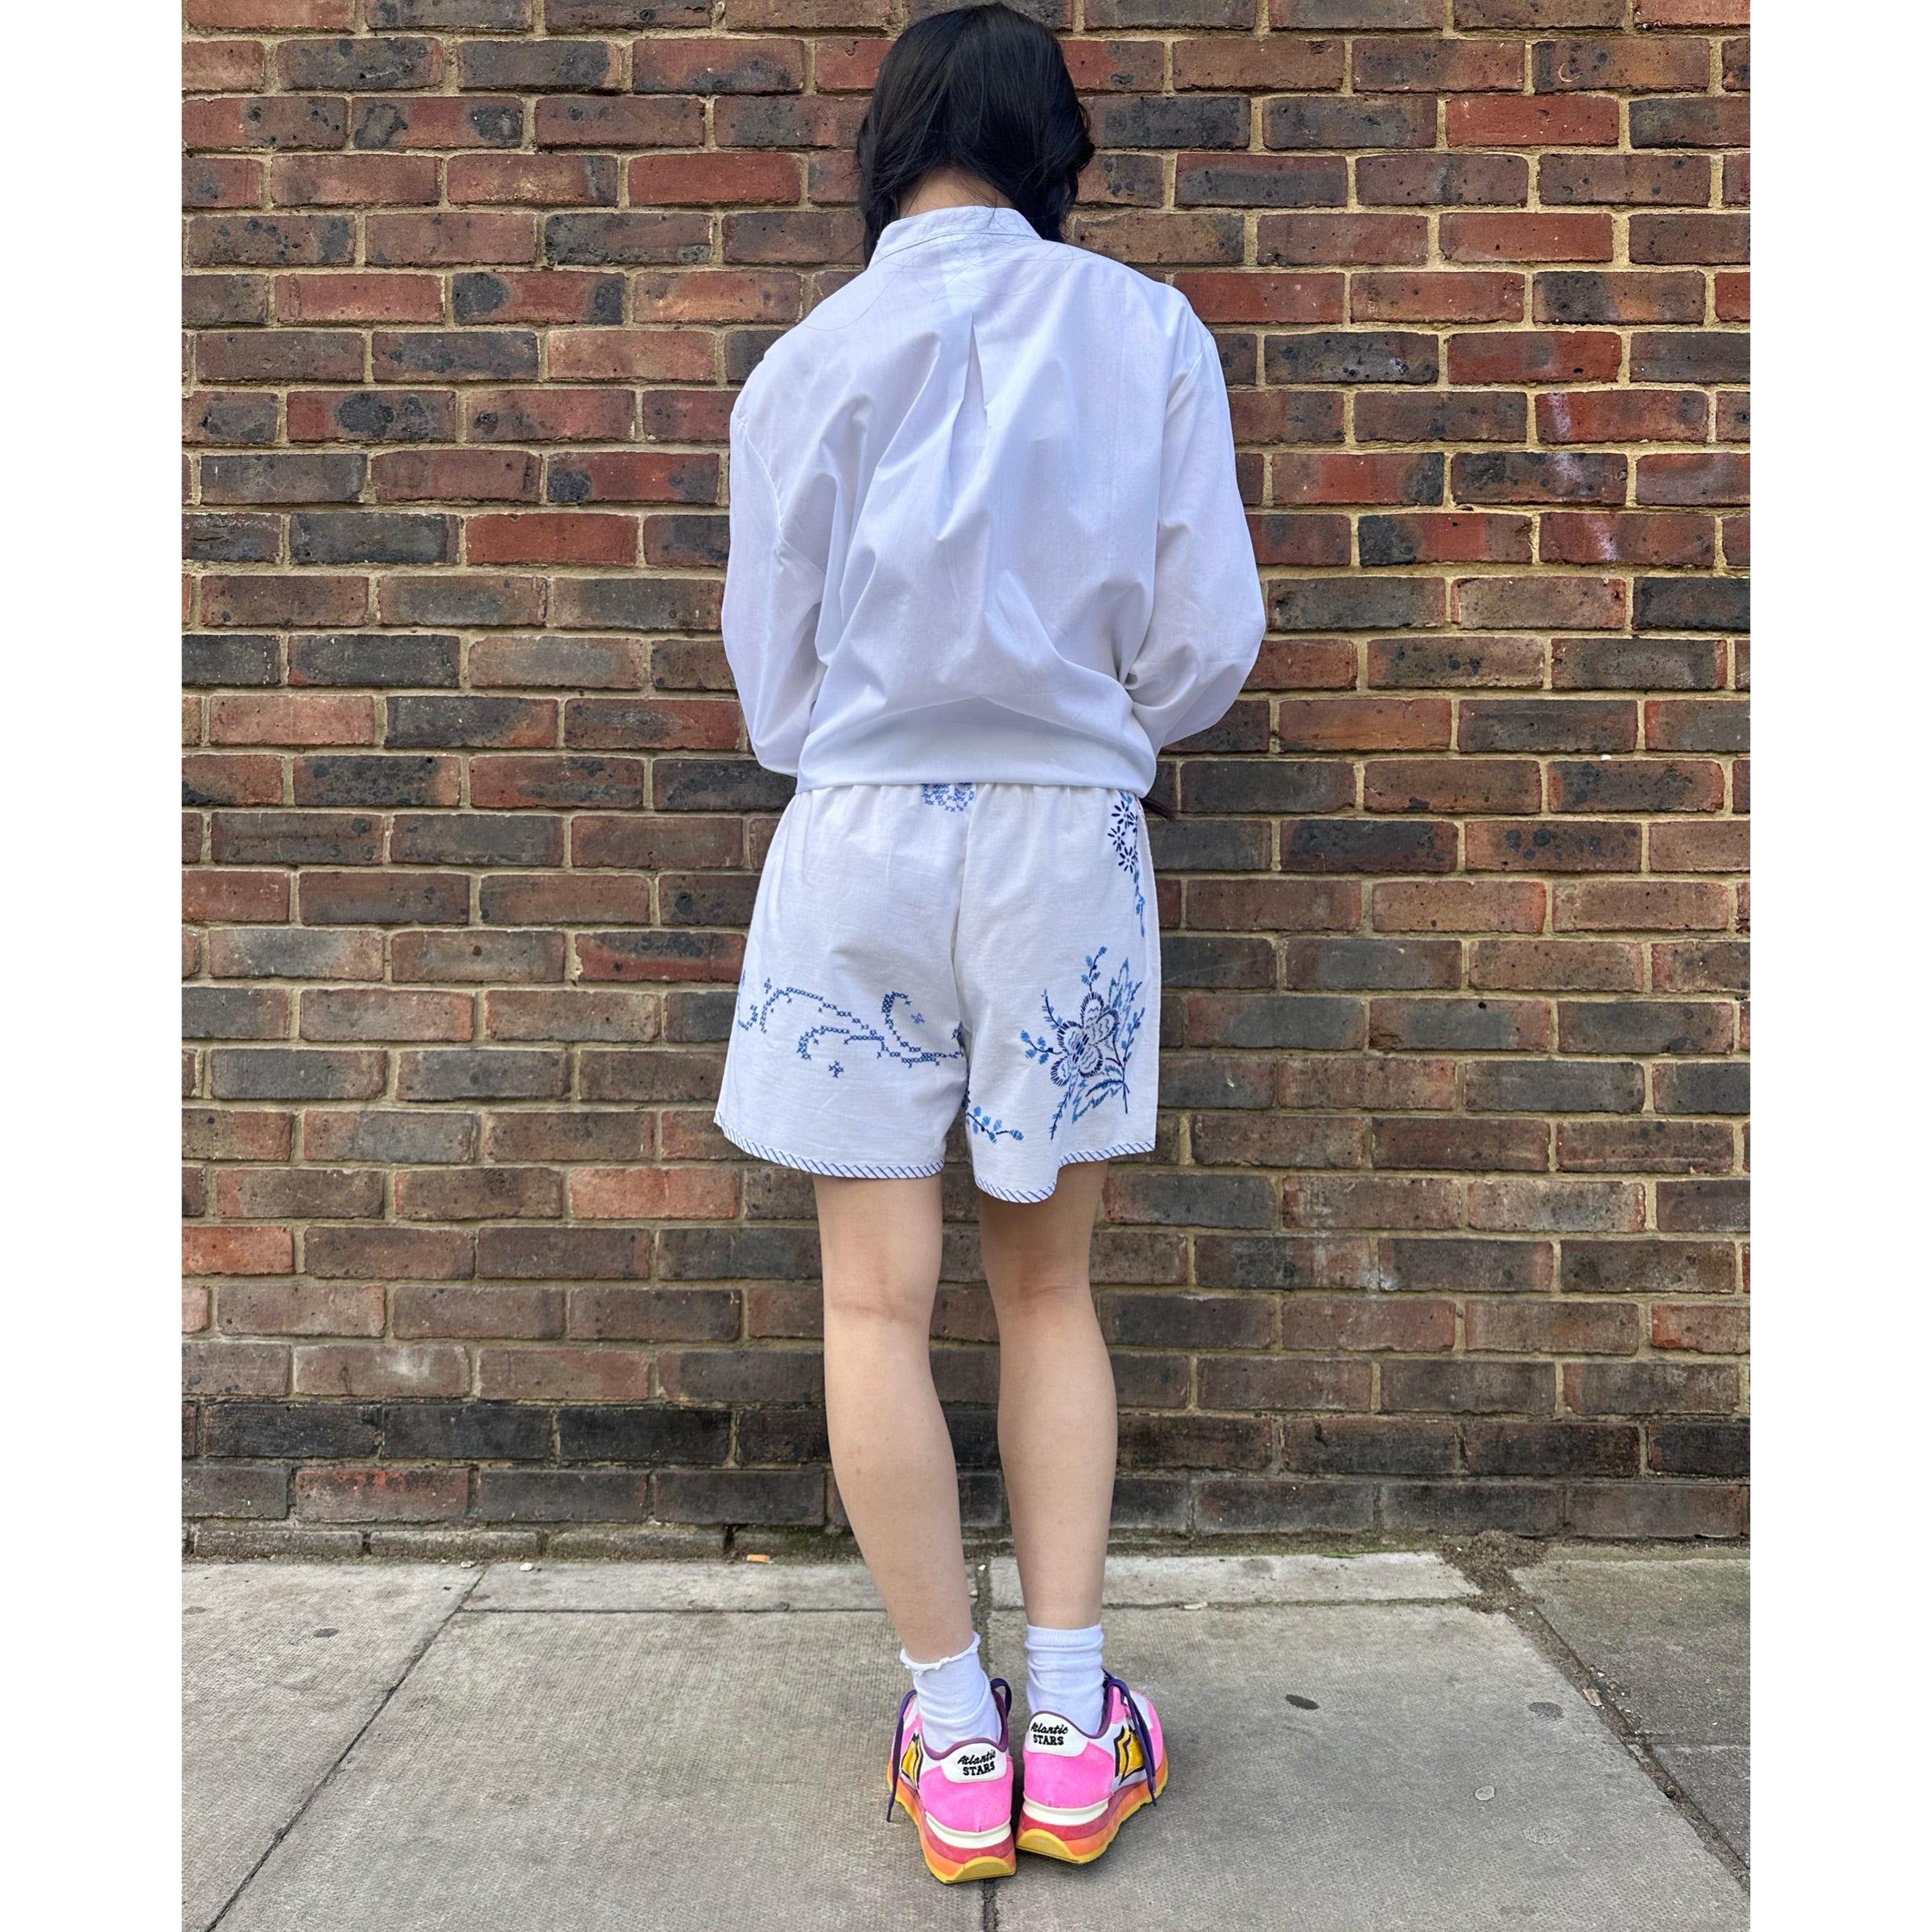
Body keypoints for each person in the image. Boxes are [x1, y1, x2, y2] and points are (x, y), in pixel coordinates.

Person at [712, 1, 1264, 1887]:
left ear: (891, 142)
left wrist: (881, 736)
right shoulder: (1144, 331)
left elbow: (774, 680)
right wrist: (1092, 727)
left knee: (874, 1301)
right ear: (1055, 150)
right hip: (1057, 841)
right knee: (1048, 1289)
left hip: (859, 833)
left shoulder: (808, 358)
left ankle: (955, 1745)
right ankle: (1072, 1731)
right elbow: (1206, 637)